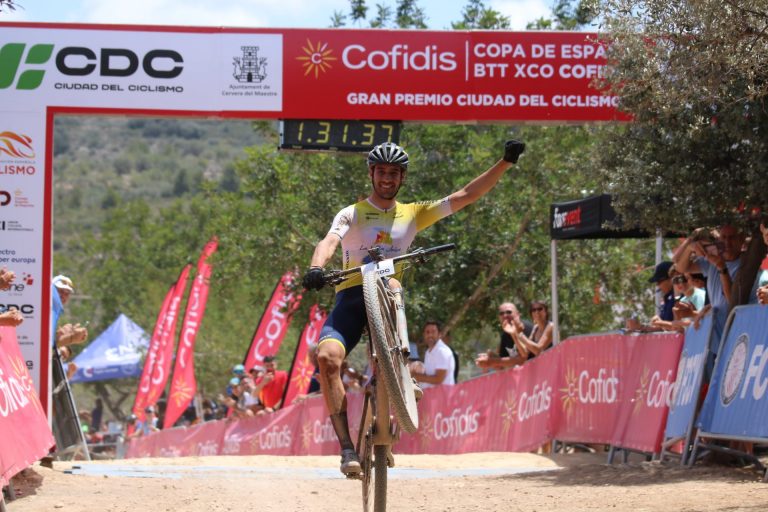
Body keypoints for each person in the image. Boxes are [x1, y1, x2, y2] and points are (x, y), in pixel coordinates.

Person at [301, 140, 525, 475]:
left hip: (388, 296)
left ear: (402, 177)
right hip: (351, 296)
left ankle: (402, 367)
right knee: (327, 358)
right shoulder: (352, 213)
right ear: (371, 174)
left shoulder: (413, 213)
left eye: (394, 173)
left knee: (393, 284)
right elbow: (329, 241)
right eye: (381, 172)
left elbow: (466, 195)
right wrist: (317, 267)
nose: (387, 178)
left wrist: (505, 163)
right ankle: (347, 447)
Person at [475, 302, 533, 370]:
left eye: (509, 312)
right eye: (501, 313)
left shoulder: (526, 328)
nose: (505, 315)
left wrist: (492, 362)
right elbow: (502, 364)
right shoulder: (505, 335)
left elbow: (522, 359)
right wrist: (487, 359)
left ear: (518, 314)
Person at [624, 261, 675, 333]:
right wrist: (640, 327)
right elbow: (662, 329)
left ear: (671, 279)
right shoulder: (668, 298)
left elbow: (677, 327)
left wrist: (642, 327)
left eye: (659, 281)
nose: (657, 285)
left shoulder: (679, 298)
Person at [412, 320, 455, 389]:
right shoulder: (428, 352)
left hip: (443, 397)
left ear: (439, 334)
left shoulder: (442, 351)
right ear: (424, 334)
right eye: (427, 332)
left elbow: (438, 379)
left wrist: (415, 376)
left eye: (433, 332)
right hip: (430, 396)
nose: (430, 335)